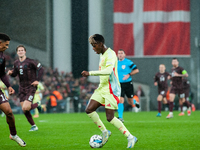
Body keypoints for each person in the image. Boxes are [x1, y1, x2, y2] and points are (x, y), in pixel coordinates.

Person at [81, 34, 138, 148]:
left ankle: (130, 137)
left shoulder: (111, 54)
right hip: (102, 88)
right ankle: (105, 132)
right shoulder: (102, 54)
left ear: (101, 44)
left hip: (112, 89)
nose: (93, 48)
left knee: (110, 117)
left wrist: (90, 73)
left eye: (94, 45)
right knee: (89, 110)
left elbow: (108, 71)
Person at [8, 44, 44, 131]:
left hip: (30, 87)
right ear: (17, 52)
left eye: (22, 50)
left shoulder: (30, 61)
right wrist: (11, 73)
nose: (20, 52)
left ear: (25, 51)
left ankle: (37, 104)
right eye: (19, 50)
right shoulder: (16, 63)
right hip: (21, 88)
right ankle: (34, 126)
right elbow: (15, 74)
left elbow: (41, 69)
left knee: (25, 107)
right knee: (25, 110)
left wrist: (37, 80)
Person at [0, 33, 26, 146]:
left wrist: (9, 86)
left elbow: (2, 74)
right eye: (6, 45)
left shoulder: (2, 57)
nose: (7, 47)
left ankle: (13, 135)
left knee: (9, 112)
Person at [117, 49, 139, 122]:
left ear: (124, 55)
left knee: (130, 102)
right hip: (119, 84)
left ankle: (135, 102)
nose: (120, 54)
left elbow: (136, 70)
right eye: (119, 53)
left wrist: (129, 74)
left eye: (121, 53)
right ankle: (120, 117)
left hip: (128, 83)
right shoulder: (115, 63)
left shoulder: (128, 62)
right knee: (121, 100)